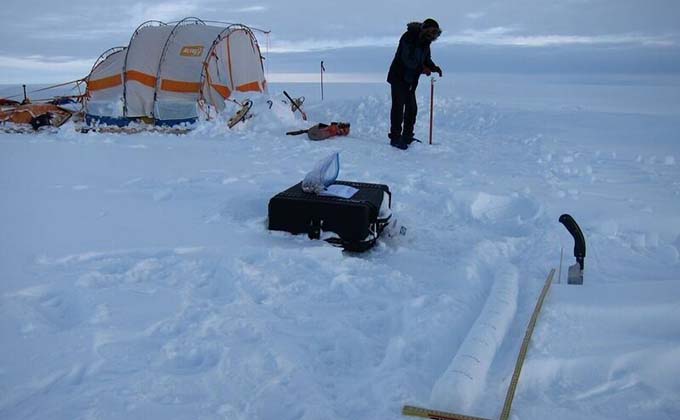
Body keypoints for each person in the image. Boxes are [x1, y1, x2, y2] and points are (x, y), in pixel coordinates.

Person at [387, 19, 442, 150]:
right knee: (398, 108)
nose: (433, 36)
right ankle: (395, 137)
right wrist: (422, 69)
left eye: (436, 33)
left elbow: (426, 59)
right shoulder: (408, 37)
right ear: (425, 29)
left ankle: (407, 136)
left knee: (412, 108)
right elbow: (407, 59)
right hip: (398, 77)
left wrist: (434, 67)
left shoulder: (425, 42)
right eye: (432, 32)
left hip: (411, 79)